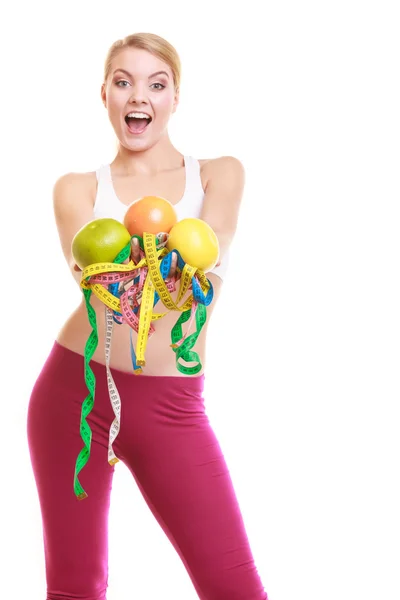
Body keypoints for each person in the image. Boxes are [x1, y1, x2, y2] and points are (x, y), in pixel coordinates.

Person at [27, 32, 268, 600]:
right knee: (75, 588)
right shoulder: (76, 189)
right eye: (123, 82)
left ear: (175, 97)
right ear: (105, 95)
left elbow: (211, 246)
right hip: (74, 393)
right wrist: (134, 271)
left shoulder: (218, 174)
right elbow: (86, 272)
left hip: (170, 406)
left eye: (156, 84)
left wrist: (167, 265)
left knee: (234, 588)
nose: (140, 96)